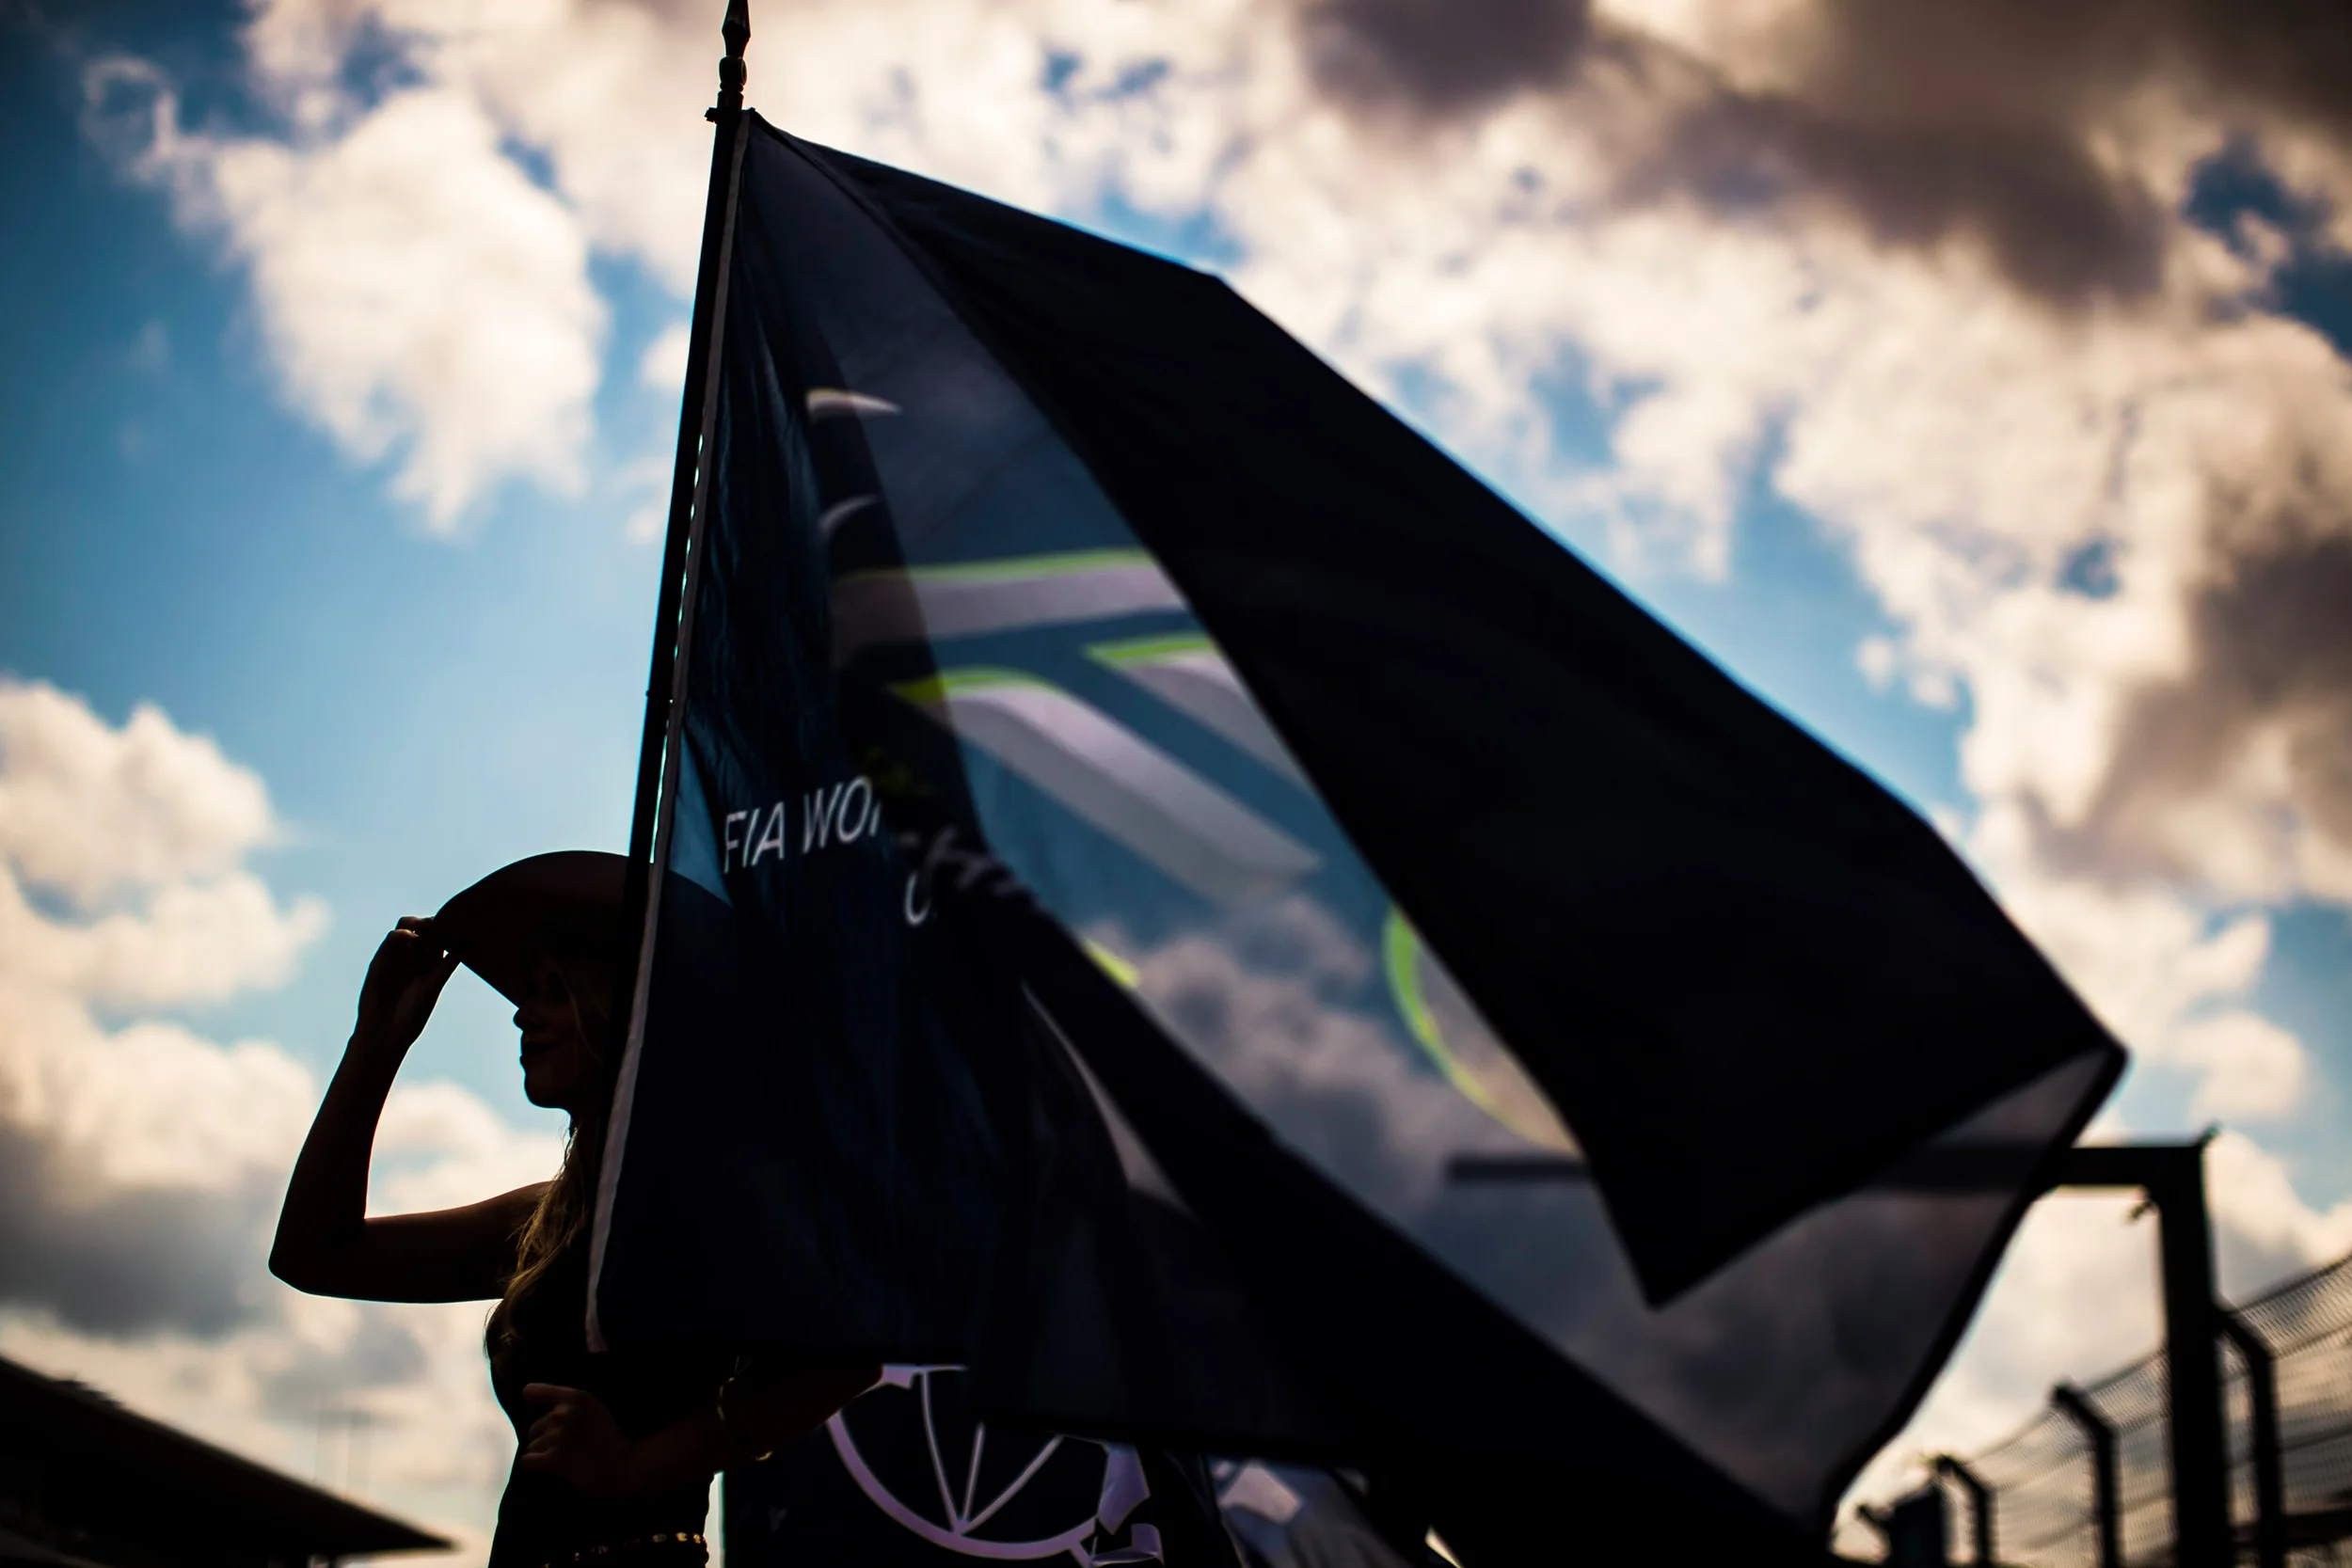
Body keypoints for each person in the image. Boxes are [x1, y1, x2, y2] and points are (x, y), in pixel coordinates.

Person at [271, 852, 877, 1568]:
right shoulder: (550, 1218)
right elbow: (314, 1253)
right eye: (527, 993)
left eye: (555, 990)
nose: (525, 1014)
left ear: (626, 1011)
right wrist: (375, 1042)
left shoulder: (702, 1198)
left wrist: (636, 1465)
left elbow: (844, 1354)